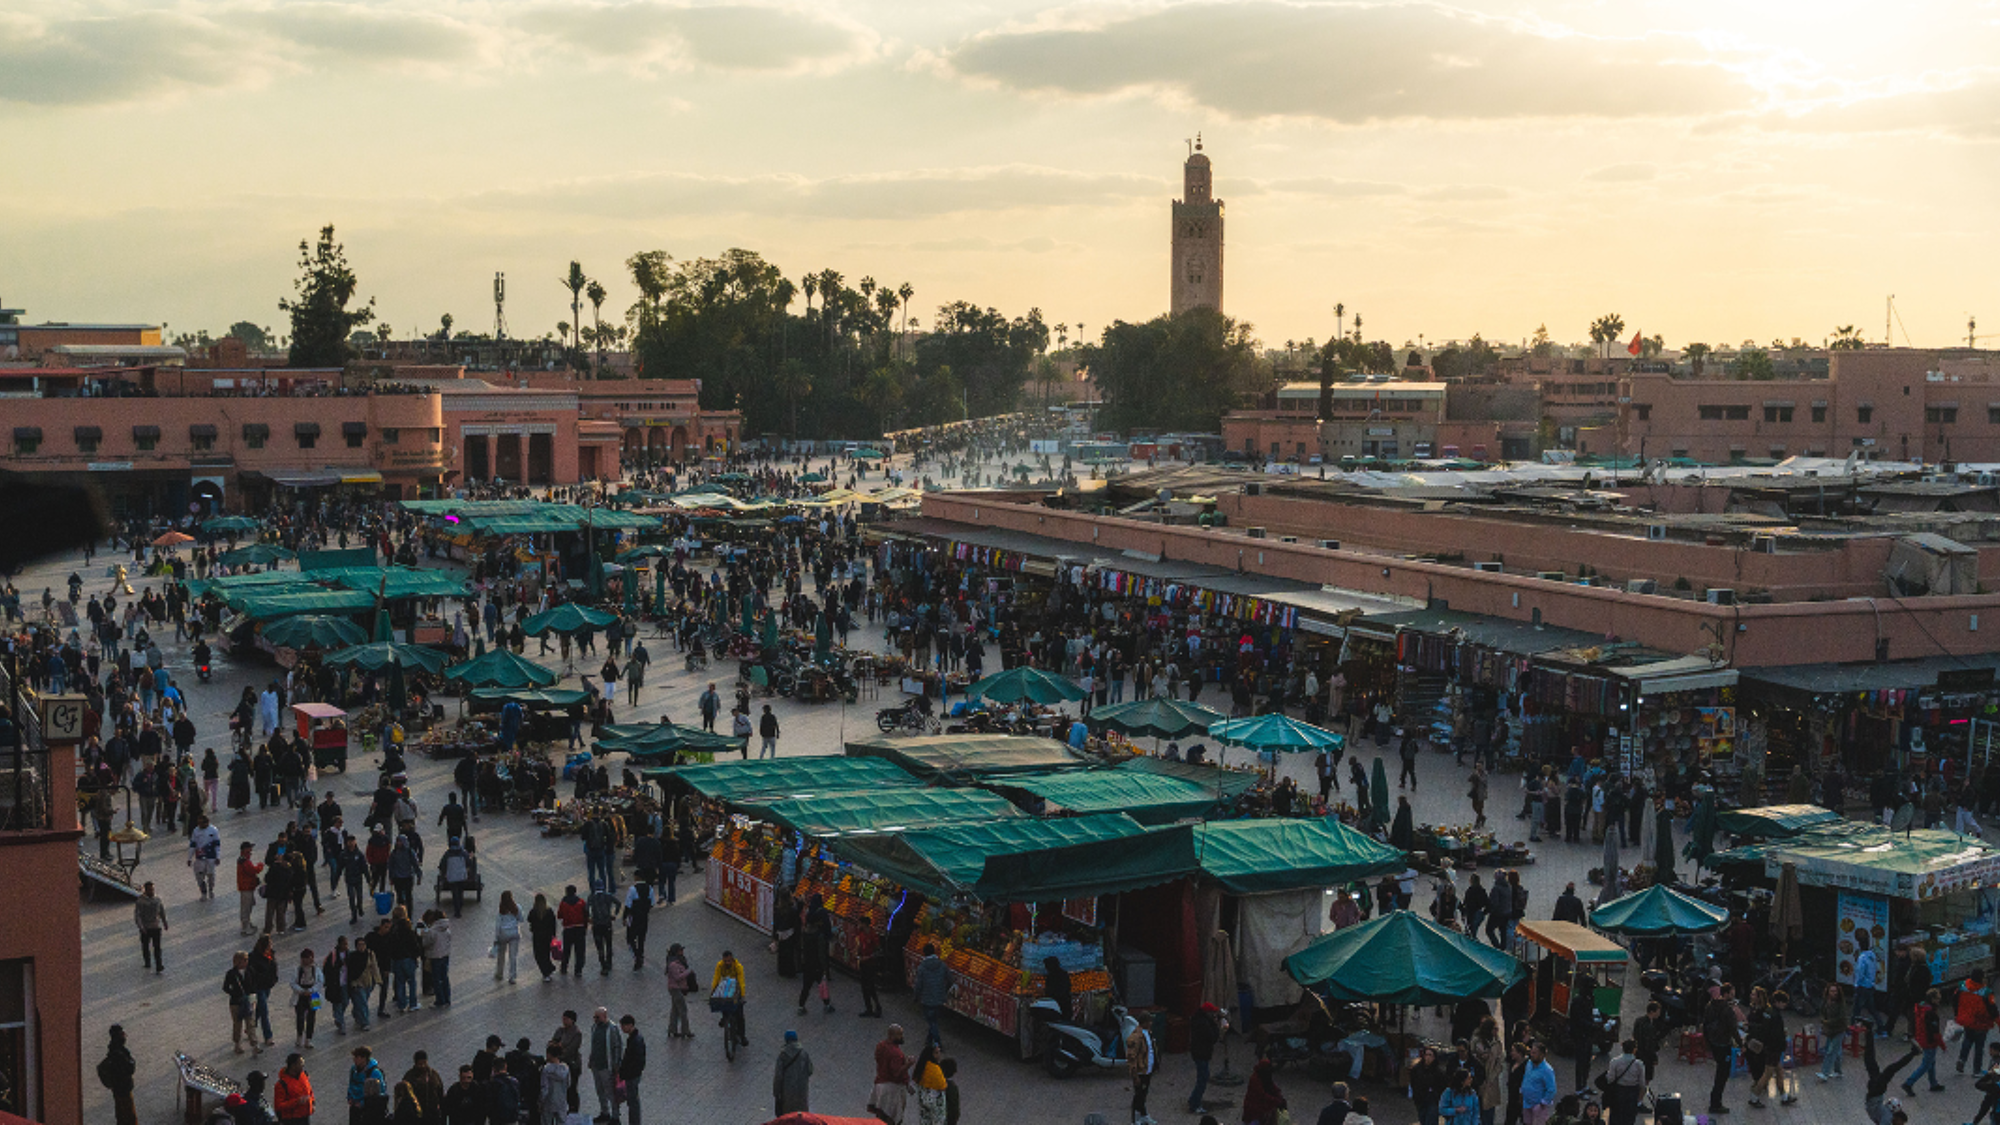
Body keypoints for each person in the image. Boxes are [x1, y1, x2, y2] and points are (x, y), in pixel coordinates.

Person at [1861, 1032, 1919, 1125]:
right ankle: (1913, 1053)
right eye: (1901, 1123)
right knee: (1882, 1066)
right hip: (1876, 1092)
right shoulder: (1888, 1117)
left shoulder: (1888, 1118)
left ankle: (1869, 1031)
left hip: (1876, 1093)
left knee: (1873, 1062)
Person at [1702, 982, 1742, 1115]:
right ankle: (1715, 1103)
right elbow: (1733, 1030)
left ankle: (1715, 1101)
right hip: (1723, 1044)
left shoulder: (1710, 1005)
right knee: (1722, 1074)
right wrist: (1742, 1045)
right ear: (1726, 994)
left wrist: (1707, 1043)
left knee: (1720, 1072)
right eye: (1732, 993)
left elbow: (1705, 1024)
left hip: (1714, 1043)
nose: (1733, 995)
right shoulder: (1727, 1010)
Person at [1902, 986, 1947, 1095]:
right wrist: (1942, 1045)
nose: (1939, 1001)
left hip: (1921, 1038)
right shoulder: (1931, 1013)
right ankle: (1909, 1083)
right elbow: (1935, 1032)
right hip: (1929, 1041)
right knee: (1926, 1064)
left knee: (1931, 1062)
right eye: (1938, 999)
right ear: (1932, 999)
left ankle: (1933, 1083)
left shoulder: (1920, 1008)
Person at [870, 1024, 913, 1125]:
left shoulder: (881, 1045)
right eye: (899, 1035)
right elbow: (896, 1074)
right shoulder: (895, 1053)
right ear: (891, 1035)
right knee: (892, 1118)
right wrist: (908, 1064)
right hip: (892, 1089)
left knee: (881, 1116)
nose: (902, 1037)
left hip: (880, 1084)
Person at [1958, 968, 1998, 1074]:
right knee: (1979, 1047)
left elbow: (1955, 999)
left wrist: (1958, 1014)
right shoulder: (1986, 992)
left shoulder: (1963, 986)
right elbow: (1993, 1010)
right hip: (1982, 1023)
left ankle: (1962, 1059)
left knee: (1967, 1040)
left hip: (1967, 1020)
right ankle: (1976, 1070)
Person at [586, 1008, 621, 1123]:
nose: (595, 1019)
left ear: (604, 1016)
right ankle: (604, 1112)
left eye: (598, 1017)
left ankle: (615, 1115)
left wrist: (616, 1064)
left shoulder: (612, 1029)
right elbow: (594, 1045)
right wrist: (591, 1059)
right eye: (594, 1017)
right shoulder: (594, 1027)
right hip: (596, 1065)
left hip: (607, 1066)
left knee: (610, 1091)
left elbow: (617, 1047)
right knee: (599, 1090)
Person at [1188, 1002, 1223, 1115]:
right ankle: (1195, 1104)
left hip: (1198, 1052)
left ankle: (1193, 1099)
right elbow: (1212, 1037)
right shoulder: (1204, 1024)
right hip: (1202, 1053)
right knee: (1202, 1079)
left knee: (1202, 1077)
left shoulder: (1197, 1020)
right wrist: (1216, 1025)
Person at [100, 1024, 138, 1125]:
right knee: (129, 1117)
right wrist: (131, 1060)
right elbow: (130, 1069)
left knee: (121, 1115)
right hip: (123, 1090)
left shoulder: (113, 1050)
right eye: (122, 1034)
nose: (124, 1036)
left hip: (118, 1089)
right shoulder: (119, 1054)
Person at [913, 943, 949, 1049]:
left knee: (932, 1021)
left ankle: (937, 1042)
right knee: (933, 1020)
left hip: (927, 998)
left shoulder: (922, 967)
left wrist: (916, 997)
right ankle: (929, 1040)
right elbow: (950, 979)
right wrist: (943, 989)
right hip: (939, 997)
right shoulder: (942, 965)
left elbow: (918, 985)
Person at [1600, 1041, 1645, 1125]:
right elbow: (1642, 1084)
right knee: (1629, 1118)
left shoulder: (1615, 1061)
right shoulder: (1639, 1064)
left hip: (1618, 1092)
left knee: (1616, 1116)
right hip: (1632, 1092)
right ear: (1634, 1050)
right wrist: (1640, 1099)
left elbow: (1610, 1079)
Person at [1126, 1011, 1157, 1125]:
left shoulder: (1147, 1033)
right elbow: (1131, 1057)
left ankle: (1143, 1115)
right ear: (1144, 1022)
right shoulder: (1136, 1037)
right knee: (1138, 1096)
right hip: (1140, 1071)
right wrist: (1134, 1075)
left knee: (1143, 1094)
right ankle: (1135, 1119)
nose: (1151, 1023)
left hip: (1147, 1070)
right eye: (1149, 1021)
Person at [714, 949, 749, 1047]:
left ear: (732, 959)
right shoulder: (720, 966)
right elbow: (716, 979)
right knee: (721, 1001)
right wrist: (713, 992)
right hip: (726, 986)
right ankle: (724, 1017)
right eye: (725, 961)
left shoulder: (738, 967)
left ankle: (742, 1036)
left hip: (736, 987)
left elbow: (741, 982)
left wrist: (742, 995)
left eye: (729, 961)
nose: (727, 963)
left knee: (740, 1015)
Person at [774, 1030, 813, 1117]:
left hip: (787, 1093)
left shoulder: (783, 1055)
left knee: (789, 1117)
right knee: (802, 1116)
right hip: (801, 1091)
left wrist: (776, 1093)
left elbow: (778, 1076)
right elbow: (810, 1070)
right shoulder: (804, 1054)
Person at [1816, 983, 1850, 1081]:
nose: (1834, 993)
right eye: (1832, 991)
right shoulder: (1825, 1002)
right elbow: (1822, 1013)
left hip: (1839, 1029)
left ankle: (1825, 1072)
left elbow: (1841, 1018)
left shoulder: (1841, 1004)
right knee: (1837, 1051)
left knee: (1830, 1051)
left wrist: (1827, 1022)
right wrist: (1824, 1021)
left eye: (1835, 991)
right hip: (1830, 1030)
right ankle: (1838, 1071)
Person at [615, 1015, 645, 1125]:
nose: (622, 1028)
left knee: (633, 1102)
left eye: (623, 1026)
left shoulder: (635, 1040)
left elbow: (636, 1060)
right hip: (631, 1075)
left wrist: (626, 1073)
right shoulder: (633, 1038)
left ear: (630, 1025)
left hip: (632, 1076)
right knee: (632, 1101)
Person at [348, 1047, 389, 1125]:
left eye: (357, 1057)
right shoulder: (354, 1070)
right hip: (355, 1106)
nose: (354, 1060)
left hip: (368, 1108)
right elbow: (351, 1084)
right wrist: (350, 1097)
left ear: (364, 1058)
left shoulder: (375, 1073)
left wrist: (362, 1103)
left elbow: (380, 1091)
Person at [1411, 1045, 1450, 1125]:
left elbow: (1443, 1086)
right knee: (1423, 1119)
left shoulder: (1438, 1072)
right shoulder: (1417, 1069)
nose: (1428, 1057)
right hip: (1421, 1099)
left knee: (1431, 1120)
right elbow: (1413, 1083)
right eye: (1426, 1055)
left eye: (1430, 1055)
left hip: (1433, 1101)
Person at [1241, 1057, 1287, 1125]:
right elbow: (1262, 1095)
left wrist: (1279, 1096)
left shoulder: (1265, 1076)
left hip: (1262, 1110)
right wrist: (1276, 1101)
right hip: (1254, 1111)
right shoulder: (1255, 1079)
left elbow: (1272, 1086)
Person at [134, 881, 168, 972]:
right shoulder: (141, 901)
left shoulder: (157, 899)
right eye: (149, 889)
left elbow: (161, 911)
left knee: (157, 947)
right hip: (146, 928)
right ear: (145, 890)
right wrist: (141, 927)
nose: (151, 891)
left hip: (155, 926)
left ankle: (159, 964)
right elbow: (138, 915)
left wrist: (164, 922)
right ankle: (147, 962)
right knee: (145, 946)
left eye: (152, 889)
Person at [1521, 1042, 1557, 1125]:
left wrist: (1542, 1103)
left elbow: (1551, 1089)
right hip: (1526, 1103)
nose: (1531, 1055)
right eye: (1531, 1052)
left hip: (1538, 1106)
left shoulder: (1547, 1070)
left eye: (1534, 1053)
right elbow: (1526, 1078)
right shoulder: (1529, 1064)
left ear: (1542, 1055)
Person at [664, 946, 695, 1039]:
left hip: (678, 988)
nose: (682, 952)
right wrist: (688, 973)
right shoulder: (673, 964)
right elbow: (677, 977)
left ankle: (672, 1030)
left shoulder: (679, 961)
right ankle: (685, 1031)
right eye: (680, 950)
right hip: (675, 989)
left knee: (675, 1010)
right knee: (683, 1010)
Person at [275, 1053, 314, 1125]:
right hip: (292, 1119)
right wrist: (296, 1102)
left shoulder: (303, 1076)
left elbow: (309, 1090)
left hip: (305, 1116)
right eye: (300, 1063)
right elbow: (279, 1106)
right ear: (293, 1066)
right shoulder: (281, 1084)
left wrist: (312, 1103)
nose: (303, 1065)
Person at [493, 891, 521, 983]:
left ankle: (500, 973)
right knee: (513, 956)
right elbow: (521, 919)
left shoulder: (501, 910)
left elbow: (498, 925)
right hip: (514, 933)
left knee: (501, 955)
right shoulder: (517, 907)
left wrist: (496, 938)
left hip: (503, 934)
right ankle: (512, 976)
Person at [537, 1046, 569, 1125]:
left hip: (549, 1101)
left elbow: (545, 1088)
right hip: (561, 1101)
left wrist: (540, 1102)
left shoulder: (546, 1069)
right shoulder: (565, 1068)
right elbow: (568, 1084)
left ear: (549, 1054)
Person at [1971, 1040, 2000, 1125]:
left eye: (1991, 1050)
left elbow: (1978, 1084)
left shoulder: (1997, 1061)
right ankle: (1975, 1122)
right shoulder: (1994, 1060)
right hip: (1993, 1088)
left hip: (1995, 1088)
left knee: (1990, 1109)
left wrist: (1990, 1073)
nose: (1990, 1052)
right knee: (1985, 1107)